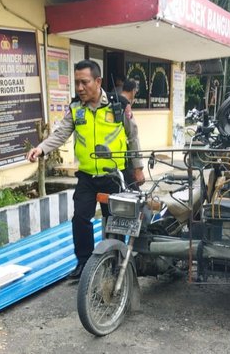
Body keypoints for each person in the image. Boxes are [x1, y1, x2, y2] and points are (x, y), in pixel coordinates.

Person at [27, 60, 145, 279]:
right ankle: (83, 263)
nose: (80, 88)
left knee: (115, 221)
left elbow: (132, 136)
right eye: (77, 83)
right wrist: (41, 149)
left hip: (114, 176)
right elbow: (60, 134)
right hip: (88, 177)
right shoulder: (75, 109)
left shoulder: (117, 105)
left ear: (98, 81)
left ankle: (115, 263)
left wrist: (137, 168)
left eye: (85, 82)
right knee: (80, 219)